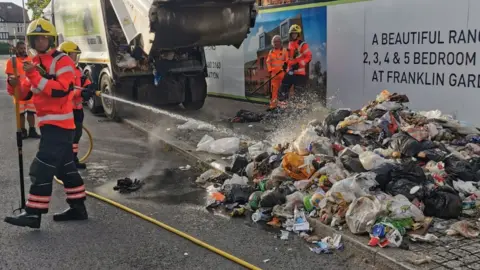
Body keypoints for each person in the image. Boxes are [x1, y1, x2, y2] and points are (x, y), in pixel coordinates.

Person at [4, 18, 92, 229]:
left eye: (44, 38)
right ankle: (78, 209)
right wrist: (13, 83)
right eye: (36, 38)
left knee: (40, 168)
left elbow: (62, 89)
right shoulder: (33, 64)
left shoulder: (62, 61)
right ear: (31, 41)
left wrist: (34, 76)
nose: (41, 42)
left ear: (51, 39)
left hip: (60, 126)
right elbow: (24, 94)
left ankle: (33, 213)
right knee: (65, 170)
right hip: (49, 125)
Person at [58, 41, 93, 170]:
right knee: (68, 137)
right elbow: (64, 91)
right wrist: (81, 93)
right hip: (67, 111)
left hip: (77, 110)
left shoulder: (76, 69)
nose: (76, 57)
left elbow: (82, 80)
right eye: (74, 54)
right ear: (65, 54)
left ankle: (73, 159)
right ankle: (67, 162)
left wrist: (88, 86)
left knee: (76, 136)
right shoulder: (61, 71)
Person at [5, 41, 41, 139]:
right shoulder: (11, 61)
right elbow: (10, 78)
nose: (23, 50)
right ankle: (23, 131)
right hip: (18, 92)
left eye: (24, 48)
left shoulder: (30, 59)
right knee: (20, 113)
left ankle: (32, 130)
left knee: (31, 112)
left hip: (30, 91)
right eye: (21, 48)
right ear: (16, 49)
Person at [278, 24, 312, 109]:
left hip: (299, 74)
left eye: (295, 33)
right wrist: (285, 64)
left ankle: (299, 112)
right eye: (292, 33)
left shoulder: (303, 44)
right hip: (290, 72)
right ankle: (282, 110)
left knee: (299, 94)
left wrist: (299, 64)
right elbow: (290, 58)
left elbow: (309, 57)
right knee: (283, 89)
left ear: (298, 34)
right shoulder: (290, 44)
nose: (294, 35)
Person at [265, 35, 287, 110]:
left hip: (282, 73)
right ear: (272, 43)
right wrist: (270, 70)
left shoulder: (284, 50)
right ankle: (273, 106)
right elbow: (268, 62)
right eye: (275, 42)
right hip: (274, 74)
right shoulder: (271, 52)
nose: (276, 43)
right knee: (274, 91)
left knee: (283, 91)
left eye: (278, 41)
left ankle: (283, 107)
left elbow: (287, 60)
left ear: (280, 42)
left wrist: (285, 66)